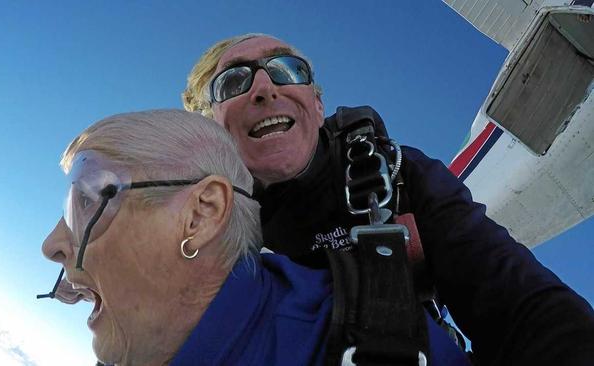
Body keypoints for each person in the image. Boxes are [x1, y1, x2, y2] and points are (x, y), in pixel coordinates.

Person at [182, 34, 594, 364]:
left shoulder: (399, 176)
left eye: (288, 70)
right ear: (211, 126)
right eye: (234, 81)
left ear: (317, 102)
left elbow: (516, 300)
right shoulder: (188, 222)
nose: (265, 88)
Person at [40, 109, 470, 365]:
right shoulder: (145, 337)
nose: (51, 245)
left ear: (201, 215)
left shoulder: (387, 344)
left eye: (90, 197)